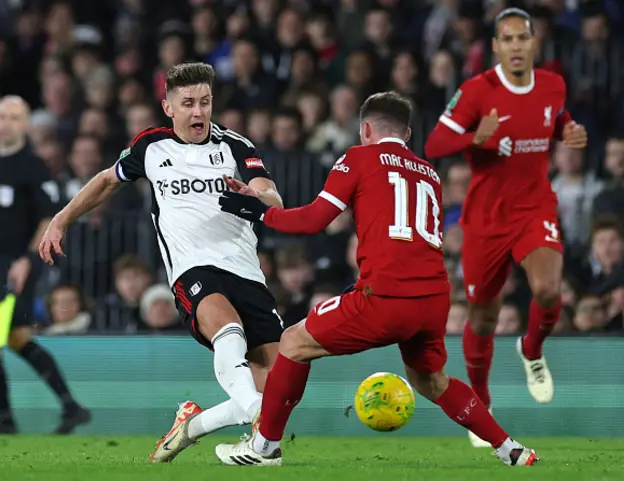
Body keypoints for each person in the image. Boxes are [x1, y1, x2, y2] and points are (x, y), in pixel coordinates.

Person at [214, 91, 538, 467]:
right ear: (408, 133)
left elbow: (314, 220)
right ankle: (510, 448)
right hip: (433, 299)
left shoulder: (358, 157)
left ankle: (264, 447)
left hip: (385, 296)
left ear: (365, 128)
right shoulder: (429, 173)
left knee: (293, 341)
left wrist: (259, 212)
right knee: (432, 382)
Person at [38, 63, 284, 459]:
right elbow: (105, 181)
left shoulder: (236, 146)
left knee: (275, 391)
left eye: (205, 102)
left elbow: (274, 199)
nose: (198, 112)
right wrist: (62, 218)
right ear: (168, 107)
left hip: (246, 271)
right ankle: (262, 432)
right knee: (228, 327)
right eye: (188, 103)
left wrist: (253, 197)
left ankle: (192, 426)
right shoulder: (151, 146)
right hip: (193, 269)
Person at [423, 8, 587, 447]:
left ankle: (531, 349)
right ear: (495, 46)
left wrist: (568, 129)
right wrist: (474, 138)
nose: (516, 46)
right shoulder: (477, 91)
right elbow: (435, 143)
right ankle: (480, 399)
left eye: (522, 38)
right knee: (483, 315)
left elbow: (555, 116)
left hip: (535, 209)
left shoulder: (553, 83)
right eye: (507, 39)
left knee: (550, 292)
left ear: (533, 43)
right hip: (486, 220)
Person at [0, 96, 90, 434]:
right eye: (2, 115)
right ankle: (63, 408)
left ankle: (9, 417)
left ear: (25, 124)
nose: (6, 123)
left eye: (15, 117)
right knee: (9, 339)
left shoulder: (33, 164)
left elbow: (48, 216)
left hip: (19, 264)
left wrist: (28, 261)